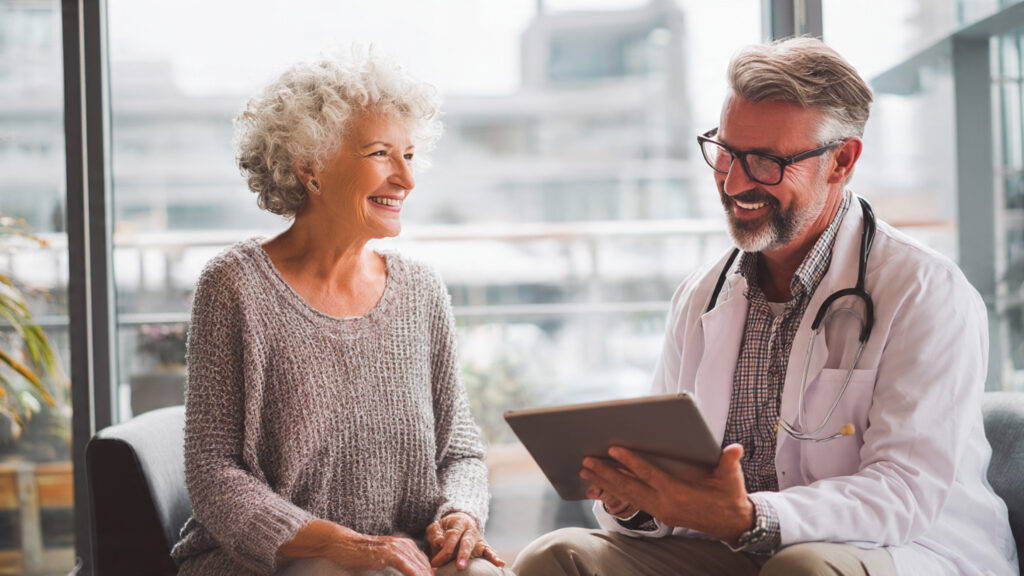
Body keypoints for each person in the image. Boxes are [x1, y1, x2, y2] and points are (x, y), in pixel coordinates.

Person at [511, 37, 1018, 576]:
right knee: (557, 557)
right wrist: (637, 500)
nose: (734, 182)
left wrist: (753, 516)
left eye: (766, 162)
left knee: (801, 568)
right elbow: (677, 485)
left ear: (841, 160)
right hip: (733, 551)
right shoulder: (703, 292)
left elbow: (904, 495)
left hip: (905, 550)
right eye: (725, 152)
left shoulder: (925, 291)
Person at [170, 49, 511, 576]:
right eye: (380, 154)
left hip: (404, 553)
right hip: (271, 559)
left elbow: (459, 449)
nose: (406, 179)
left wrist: (462, 512)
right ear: (310, 167)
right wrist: (340, 544)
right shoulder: (234, 285)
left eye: (410, 156)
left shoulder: (420, 289)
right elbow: (214, 474)